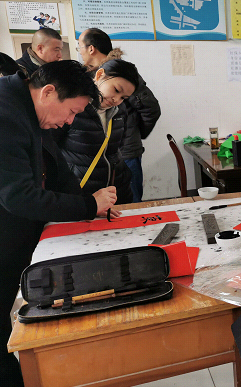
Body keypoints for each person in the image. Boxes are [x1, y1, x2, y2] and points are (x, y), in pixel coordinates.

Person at [0, 60, 118, 386]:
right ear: (49, 92)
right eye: (70, 112)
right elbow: (19, 196)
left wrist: (88, 205)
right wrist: (87, 204)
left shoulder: (26, 107)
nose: (69, 121)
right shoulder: (6, 113)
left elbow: (56, 169)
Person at [78, 28, 161, 202]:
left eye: (80, 46)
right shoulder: (88, 77)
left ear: (91, 48)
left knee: (130, 203)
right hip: (98, 157)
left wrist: (134, 134)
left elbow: (151, 109)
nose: (116, 100)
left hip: (124, 153)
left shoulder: (123, 75)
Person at [52, 59, 140, 204]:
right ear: (99, 75)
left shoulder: (120, 111)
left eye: (123, 98)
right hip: (78, 192)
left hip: (114, 191)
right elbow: (51, 148)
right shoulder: (73, 107)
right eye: (116, 90)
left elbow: (117, 148)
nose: (116, 100)